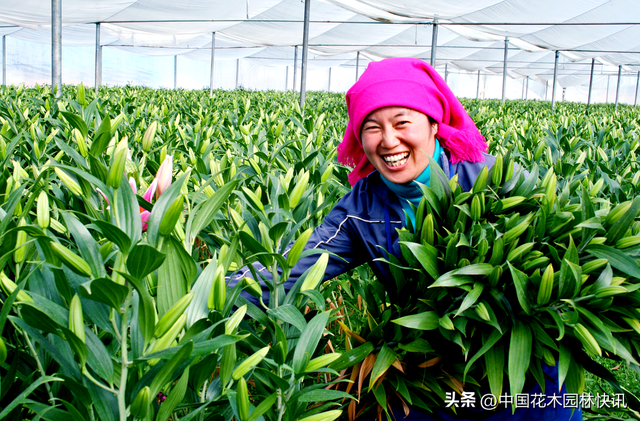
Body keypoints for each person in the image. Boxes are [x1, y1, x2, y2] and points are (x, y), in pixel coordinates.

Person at [229, 57, 580, 421]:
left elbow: (565, 253)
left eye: (402, 122)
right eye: (372, 127)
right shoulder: (361, 207)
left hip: (521, 367)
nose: (389, 140)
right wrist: (197, 294)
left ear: (433, 124)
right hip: (432, 370)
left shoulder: (493, 181)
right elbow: (289, 267)